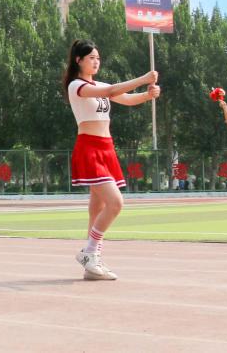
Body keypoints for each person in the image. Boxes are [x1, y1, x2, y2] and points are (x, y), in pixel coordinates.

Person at [64, 39, 160, 281]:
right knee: (115, 203)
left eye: (98, 58)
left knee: (96, 208)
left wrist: (148, 95)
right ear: (78, 60)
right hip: (89, 147)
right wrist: (143, 79)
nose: (96, 62)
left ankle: (92, 263)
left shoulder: (99, 84)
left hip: (107, 148)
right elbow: (110, 91)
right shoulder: (76, 85)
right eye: (91, 58)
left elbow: (126, 98)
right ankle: (89, 252)